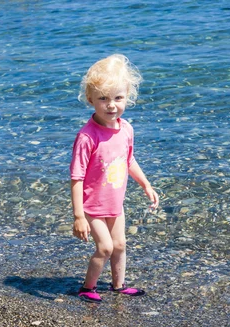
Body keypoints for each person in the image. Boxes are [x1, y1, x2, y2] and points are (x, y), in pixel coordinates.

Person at [70, 54, 159, 304]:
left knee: (120, 245)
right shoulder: (87, 137)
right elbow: (76, 177)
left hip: (115, 204)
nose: (112, 105)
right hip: (92, 206)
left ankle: (118, 285)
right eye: (103, 98)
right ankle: (87, 287)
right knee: (105, 248)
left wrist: (146, 185)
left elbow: (128, 160)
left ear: (127, 96)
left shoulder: (126, 128)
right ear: (91, 99)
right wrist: (78, 216)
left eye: (118, 98)